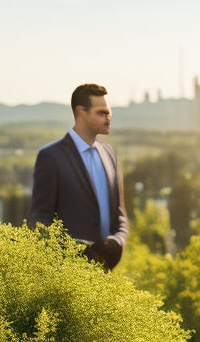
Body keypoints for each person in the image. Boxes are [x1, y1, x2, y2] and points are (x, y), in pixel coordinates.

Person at [29, 83, 128, 270]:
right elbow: (41, 219)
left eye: (109, 113)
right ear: (81, 112)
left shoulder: (110, 154)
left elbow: (118, 212)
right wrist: (78, 254)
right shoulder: (51, 157)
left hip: (106, 272)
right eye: (101, 113)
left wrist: (118, 241)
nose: (108, 118)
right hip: (68, 274)